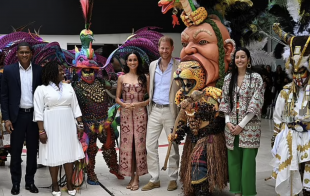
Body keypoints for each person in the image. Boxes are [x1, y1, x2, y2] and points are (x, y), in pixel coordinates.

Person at [33, 61, 85, 196]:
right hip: (51, 123)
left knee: (69, 153)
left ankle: (69, 182)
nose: (63, 72)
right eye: (60, 70)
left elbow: (75, 107)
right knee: (53, 153)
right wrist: (41, 131)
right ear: (51, 73)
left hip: (68, 122)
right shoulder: (41, 89)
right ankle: (55, 184)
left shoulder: (69, 87)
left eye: (63, 70)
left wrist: (80, 125)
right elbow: (38, 112)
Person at [271, 23, 310, 196]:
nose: (298, 78)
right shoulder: (286, 91)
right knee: (292, 175)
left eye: (301, 72)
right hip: (290, 136)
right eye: (295, 73)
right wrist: (275, 137)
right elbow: (278, 117)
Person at [219, 47, 264, 196]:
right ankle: (236, 191)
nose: (239, 60)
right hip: (231, 127)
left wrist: (242, 125)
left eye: (243, 57)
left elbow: (256, 102)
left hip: (250, 127)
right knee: (233, 161)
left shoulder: (256, 78)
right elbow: (224, 100)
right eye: (237, 57)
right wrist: (227, 121)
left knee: (248, 163)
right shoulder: (228, 79)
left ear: (248, 60)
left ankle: (248, 193)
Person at [1, 42, 42, 195]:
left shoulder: (39, 71)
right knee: (16, 151)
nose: (24, 55)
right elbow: (3, 96)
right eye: (21, 52)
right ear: (17, 54)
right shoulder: (9, 71)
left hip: (33, 116)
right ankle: (16, 183)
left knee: (33, 151)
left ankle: (30, 182)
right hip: (16, 117)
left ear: (31, 54)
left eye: (27, 52)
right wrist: (6, 119)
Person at [141, 36, 180, 192]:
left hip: (171, 111)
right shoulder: (152, 65)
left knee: (173, 145)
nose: (164, 50)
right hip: (155, 110)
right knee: (150, 145)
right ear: (158, 48)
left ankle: (172, 178)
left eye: (167, 48)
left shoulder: (179, 66)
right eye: (162, 48)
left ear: (172, 48)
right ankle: (154, 178)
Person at [115, 52, 149, 191]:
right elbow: (117, 98)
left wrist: (140, 104)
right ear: (127, 62)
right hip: (126, 115)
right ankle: (131, 176)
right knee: (128, 146)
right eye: (130, 60)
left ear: (138, 62)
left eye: (135, 60)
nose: (132, 62)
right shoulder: (121, 78)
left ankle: (137, 178)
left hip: (140, 114)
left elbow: (150, 99)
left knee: (138, 145)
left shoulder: (145, 77)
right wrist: (124, 105)